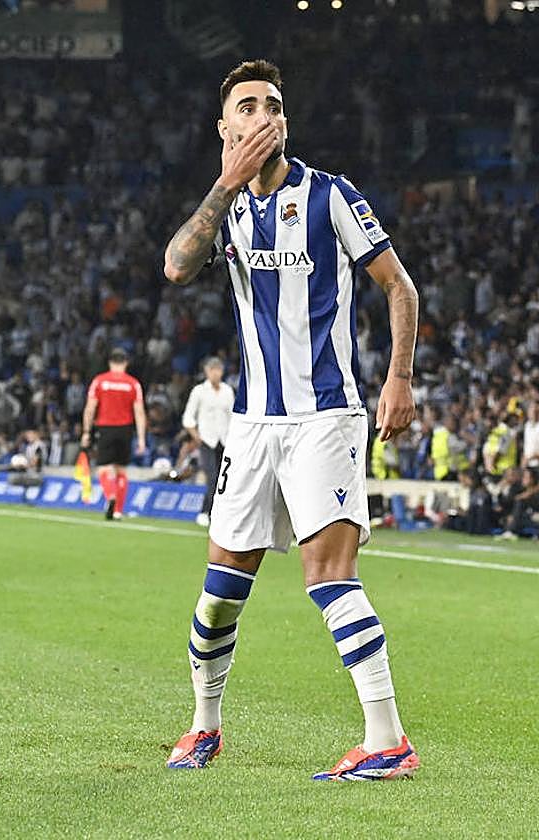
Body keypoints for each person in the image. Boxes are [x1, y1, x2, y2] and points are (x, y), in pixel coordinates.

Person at [161, 60, 420, 780]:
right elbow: (177, 267)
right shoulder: (231, 211)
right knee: (219, 596)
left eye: (272, 104)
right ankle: (204, 728)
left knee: (327, 575)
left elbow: (400, 287)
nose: (263, 114)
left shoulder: (331, 196)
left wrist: (399, 377)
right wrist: (223, 183)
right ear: (227, 129)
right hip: (251, 427)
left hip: (325, 418)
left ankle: (387, 739)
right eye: (247, 106)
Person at [82, 349, 147, 521]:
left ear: (110, 362)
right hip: (125, 429)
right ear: (126, 363)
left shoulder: (100, 381)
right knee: (121, 470)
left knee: (104, 468)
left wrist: (86, 432)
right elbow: (139, 412)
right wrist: (141, 439)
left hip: (105, 428)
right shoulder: (133, 384)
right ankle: (118, 510)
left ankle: (110, 495)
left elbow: (90, 408)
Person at [182, 357, 235, 528]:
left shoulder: (227, 390)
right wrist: (195, 435)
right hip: (207, 440)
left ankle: (214, 512)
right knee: (211, 477)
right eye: (212, 369)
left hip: (225, 440)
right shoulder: (199, 391)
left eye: (218, 369)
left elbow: (233, 416)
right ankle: (208, 512)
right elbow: (188, 417)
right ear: (206, 371)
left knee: (223, 479)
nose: (215, 373)